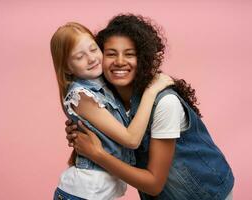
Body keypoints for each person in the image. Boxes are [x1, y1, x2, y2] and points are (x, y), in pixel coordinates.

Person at [66, 14, 234, 200]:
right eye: (111, 54)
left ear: (143, 59)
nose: (120, 61)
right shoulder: (106, 101)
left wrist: (96, 154)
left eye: (130, 54)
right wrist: (82, 127)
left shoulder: (165, 104)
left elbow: (154, 184)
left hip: (203, 194)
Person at [50, 22, 173, 200]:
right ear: (68, 67)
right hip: (85, 192)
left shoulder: (103, 84)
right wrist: (152, 91)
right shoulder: (81, 96)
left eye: (93, 49)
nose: (91, 58)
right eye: (79, 56)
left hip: (99, 191)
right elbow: (131, 140)